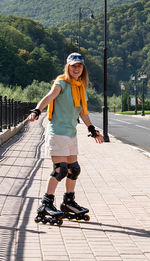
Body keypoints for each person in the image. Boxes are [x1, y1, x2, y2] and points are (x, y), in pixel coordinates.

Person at [28, 53, 105, 224]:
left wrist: (92, 129)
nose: (76, 69)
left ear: (83, 68)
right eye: (73, 66)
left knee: (74, 169)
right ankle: (46, 204)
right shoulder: (61, 82)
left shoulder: (80, 87)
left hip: (71, 133)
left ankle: (68, 202)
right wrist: (36, 110)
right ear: (68, 67)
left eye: (79, 66)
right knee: (60, 170)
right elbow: (49, 97)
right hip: (58, 132)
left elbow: (83, 112)